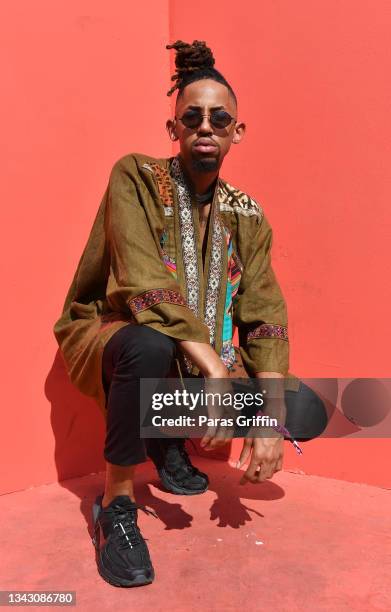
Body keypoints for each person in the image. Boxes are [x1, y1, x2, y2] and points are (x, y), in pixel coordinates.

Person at [53, 39, 294, 588]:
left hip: (195, 349)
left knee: (293, 403)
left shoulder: (247, 214)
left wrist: (269, 419)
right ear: (174, 130)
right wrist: (214, 371)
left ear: (237, 131)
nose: (205, 126)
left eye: (219, 117)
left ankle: (163, 440)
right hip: (112, 329)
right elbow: (142, 282)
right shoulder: (135, 176)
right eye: (192, 117)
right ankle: (113, 509)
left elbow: (263, 310)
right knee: (149, 343)